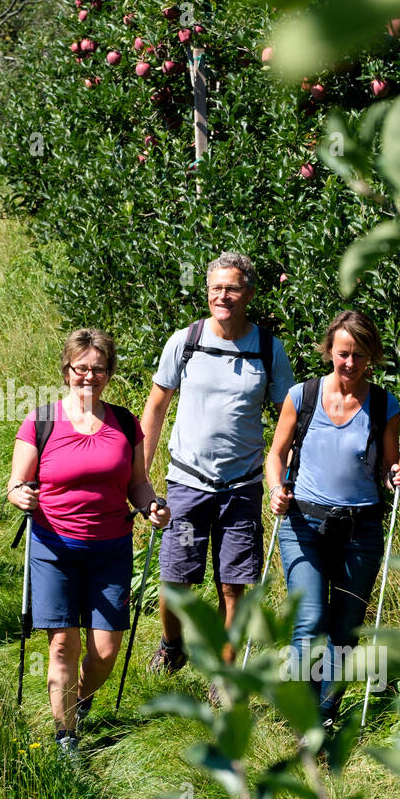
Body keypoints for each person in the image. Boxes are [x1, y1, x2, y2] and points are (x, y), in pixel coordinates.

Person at [140, 252, 295, 704]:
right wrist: (141, 477)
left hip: (242, 485)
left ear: (248, 293)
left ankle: (225, 673)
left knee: (234, 584)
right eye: (215, 288)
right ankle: (172, 647)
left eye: (231, 288)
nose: (221, 296)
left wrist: (280, 474)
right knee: (176, 581)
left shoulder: (269, 349)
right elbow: (155, 407)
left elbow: (289, 416)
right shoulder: (185, 341)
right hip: (187, 483)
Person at [7, 328, 169, 756]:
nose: (89, 377)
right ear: (66, 371)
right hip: (53, 549)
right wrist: (21, 494)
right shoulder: (40, 421)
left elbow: (139, 484)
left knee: (105, 651)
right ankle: (66, 737)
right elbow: (16, 484)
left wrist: (153, 506)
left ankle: (79, 699)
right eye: (81, 368)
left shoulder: (125, 423)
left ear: (109, 373)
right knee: (63, 644)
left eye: (98, 369)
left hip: (110, 549)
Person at [264, 310, 400, 730]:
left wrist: (396, 475)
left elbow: (385, 466)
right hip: (303, 524)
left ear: (372, 358)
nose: (350, 363)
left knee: (346, 629)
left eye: (359, 356)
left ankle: (325, 715)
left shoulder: (385, 404)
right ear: (329, 350)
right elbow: (276, 455)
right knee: (309, 621)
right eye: (343, 353)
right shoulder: (301, 396)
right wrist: (276, 489)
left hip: (360, 530)